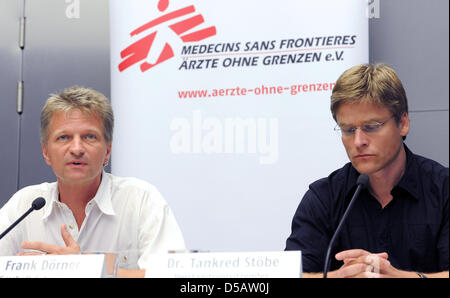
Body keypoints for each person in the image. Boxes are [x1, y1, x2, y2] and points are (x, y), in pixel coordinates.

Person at [0, 86, 186, 277]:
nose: (77, 148)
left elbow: (179, 279)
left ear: (108, 150)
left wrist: (88, 271)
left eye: (89, 137)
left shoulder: (141, 200)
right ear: (46, 152)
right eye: (64, 137)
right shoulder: (24, 205)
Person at [286, 63, 449, 278]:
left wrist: (402, 278)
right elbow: (291, 275)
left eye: (371, 127)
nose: (359, 141)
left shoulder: (443, 189)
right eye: (348, 130)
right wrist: (336, 277)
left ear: (403, 123)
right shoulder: (323, 197)